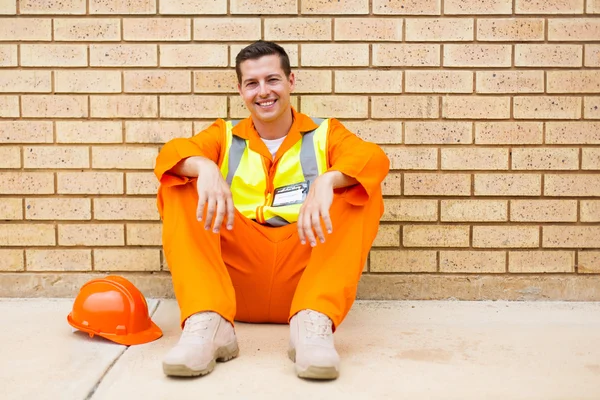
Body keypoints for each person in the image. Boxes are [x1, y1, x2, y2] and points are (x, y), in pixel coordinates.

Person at [154, 40, 389, 380]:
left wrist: (328, 182)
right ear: (240, 90)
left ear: (291, 81)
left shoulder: (325, 133)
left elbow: (372, 157)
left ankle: (313, 326)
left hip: (305, 277)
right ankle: (208, 323)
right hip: (234, 282)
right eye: (252, 83)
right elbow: (170, 154)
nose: (263, 92)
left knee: (361, 188)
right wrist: (204, 167)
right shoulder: (223, 135)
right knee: (178, 182)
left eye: (272, 80)